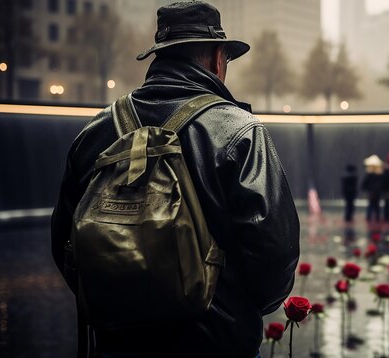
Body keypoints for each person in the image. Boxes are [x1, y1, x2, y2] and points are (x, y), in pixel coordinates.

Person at [51, 2, 300, 357]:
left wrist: (121, 305)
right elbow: (275, 253)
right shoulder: (240, 131)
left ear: (159, 57)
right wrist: (235, 312)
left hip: (118, 345)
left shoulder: (95, 132)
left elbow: (65, 242)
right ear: (218, 59)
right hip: (216, 345)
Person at [361, 155, 384, 222]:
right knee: (376, 206)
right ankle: (377, 218)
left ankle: (369, 218)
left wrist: (364, 188)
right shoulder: (380, 174)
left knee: (370, 206)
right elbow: (382, 183)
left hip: (371, 192)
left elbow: (365, 183)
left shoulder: (369, 174)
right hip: (377, 192)